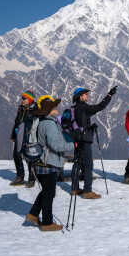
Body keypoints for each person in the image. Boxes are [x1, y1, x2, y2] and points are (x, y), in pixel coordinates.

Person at [26, 95, 76, 232]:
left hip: (40, 162)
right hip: (48, 163)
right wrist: (73, 145)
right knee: (49, 193)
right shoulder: (49, 124)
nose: (57, 108)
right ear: (49, 110)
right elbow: (57, 146)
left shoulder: (42, 122)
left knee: (47, 191)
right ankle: (47, 223)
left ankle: (33, 214)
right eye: (54, 107)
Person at [71, 85, 117, 199]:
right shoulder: (84, 108)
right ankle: (87, 191)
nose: (87, 96)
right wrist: (109, 95)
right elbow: (100, 106)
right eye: (85, 94)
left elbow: (80, 122)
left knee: (77, 162)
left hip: (77, 138)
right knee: (88, 164)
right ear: (80, 97)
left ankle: (75, 188)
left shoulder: (74, 108)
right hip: (85, 139)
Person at [9, 90, 37, 187]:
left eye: (24, 98)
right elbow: (16, 123)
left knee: (30, 157)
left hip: (29, 136)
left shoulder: (35, 110)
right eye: (22, 98)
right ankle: (20, 177)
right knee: (16, 155)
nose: (22, 100)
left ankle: (31, 178)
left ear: (30, 99)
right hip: (19, 135)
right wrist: (13, 135)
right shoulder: (21, 109)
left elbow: (37, 124)